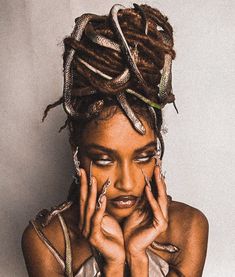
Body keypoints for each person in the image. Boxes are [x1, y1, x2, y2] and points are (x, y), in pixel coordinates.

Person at [21, 3, 209, 277]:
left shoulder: (188, 229)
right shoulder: (46, 242)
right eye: (103, 159)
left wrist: (138, 257)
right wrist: (112, 265)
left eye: (144, 156)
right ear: (77, 152)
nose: (128, 183)